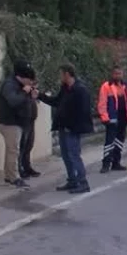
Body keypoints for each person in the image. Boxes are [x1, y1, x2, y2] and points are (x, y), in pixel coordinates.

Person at [39, 63, 95, 194]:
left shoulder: (80, 90)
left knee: (74, 155)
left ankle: (83, 182)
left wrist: (73, 127)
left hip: (72, 129)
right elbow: (56, 102)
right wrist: (40, 96)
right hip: (63, 127)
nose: (60, 77)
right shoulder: (65, 89)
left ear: (67, 74)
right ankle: (72, 180)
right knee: (66, 155)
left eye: (61, 74)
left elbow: (84, 112)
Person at [0, 61, 37, 189]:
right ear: (22, 77)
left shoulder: (19, 85)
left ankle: (9, 175)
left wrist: (31, 95)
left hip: (19, 122)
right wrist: (24, 92)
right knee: (13, 151)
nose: (30, 83)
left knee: (12, 150)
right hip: (10, 123)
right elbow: (13, 101)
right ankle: (14, 177)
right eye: (29, 80)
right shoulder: (9, 85)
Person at [97, 65, 127, 173]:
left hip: (123, 118)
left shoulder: (125, 86)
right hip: (112, 118)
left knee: (119, 141)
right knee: (109, 142)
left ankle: (116, 163)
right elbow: (102, 103)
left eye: (119, 73)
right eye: (116, 73)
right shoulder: (106, 86)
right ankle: (106, 164)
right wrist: (105, 117)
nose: (118, 75)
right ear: (112, 74)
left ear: (122, 74)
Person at [18, 78, 41, 179]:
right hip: (24, 122)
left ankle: (27, 167)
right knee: (22, 147)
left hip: (31, 121)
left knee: (29, 146)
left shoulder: (31, 94)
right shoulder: (22, 92)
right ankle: (20, 169)